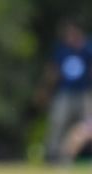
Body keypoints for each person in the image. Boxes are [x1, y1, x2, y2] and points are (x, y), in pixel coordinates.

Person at [35, 20, 92, 163]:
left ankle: (79, 156)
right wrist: (45, 90)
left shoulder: (87, 48)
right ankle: (53, 156)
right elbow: (53, 72)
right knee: (57, 122)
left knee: (85, 126)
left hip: (83, 93)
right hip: (64, 93)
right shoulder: (62, 50)